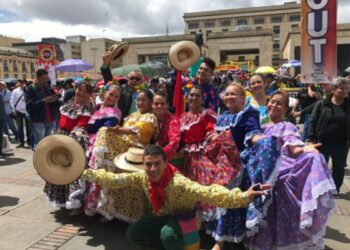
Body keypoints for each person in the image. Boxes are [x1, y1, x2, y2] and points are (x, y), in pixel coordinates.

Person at [82, 145, 271, 250]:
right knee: (134, 233)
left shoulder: (179, 183)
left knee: (168, 235)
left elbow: (211, 193)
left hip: (186, 220)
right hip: (164, 218)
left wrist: (245, 195)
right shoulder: (142, 177)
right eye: (148, 165)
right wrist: (83, 173)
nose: (153, 169)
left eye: (157, 164)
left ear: (166, 163)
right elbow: (116, 179)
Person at [245, 91, 335, 249]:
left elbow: (293, 148)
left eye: (279, 103)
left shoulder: (287, 126)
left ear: (286, 109)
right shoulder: (260, 126)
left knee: (277, 212)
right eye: (272, 101)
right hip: (259, 172)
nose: (274, 105)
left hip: (278, 171)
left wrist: (305, 148)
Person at [90, 89, 158, 221]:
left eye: (143, 100)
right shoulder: (132, 115)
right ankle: (111, 211)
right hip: (124, 151)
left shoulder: (150, 117)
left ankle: (132, 215)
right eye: (138, 100)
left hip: (137, 153)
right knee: (115, 180)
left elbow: (138, 132)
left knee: (105, 131)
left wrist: (117, 130)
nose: (140, 102)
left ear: (150, 103)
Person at [44, 81, 93, 212]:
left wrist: (75, 133)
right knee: (58, 168)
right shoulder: (70, 102)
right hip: (60, 136)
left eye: (85, 91)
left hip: (73, 141)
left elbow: (81, 124)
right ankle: (63, 201)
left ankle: (76, 204)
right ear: (76, 89)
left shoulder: (86, 107)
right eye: (80, 90)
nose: (81, 93)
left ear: (89, 94)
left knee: (72, 172)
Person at [84, 84, 122, 216]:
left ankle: (98, 208)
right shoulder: (96, 107)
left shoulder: (115, 112)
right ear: (104, 93)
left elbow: (105, 129)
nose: (112, 98)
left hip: (100, 146)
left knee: (97, 177)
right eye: (111, 94)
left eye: (116, 97)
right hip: (87, 141)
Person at [308, 78, 350, 196]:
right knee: (321, 166)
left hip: (341, 144)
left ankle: (335, 188)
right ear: (333, 89)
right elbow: (313, 121)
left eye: (347, 88)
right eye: (342, 88)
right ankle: (321, 188)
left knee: (339, 167)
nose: (345, 90)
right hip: (322, 142)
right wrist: (311, 139)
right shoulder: (322, 104)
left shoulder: (348, 105)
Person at [100, 51, 146, 120]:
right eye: (132, 78)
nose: (134, 80)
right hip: (124, 121)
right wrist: (105, 66)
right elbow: (110, 82)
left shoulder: (145, 92)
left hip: (141, 121)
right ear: (127, 79)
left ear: (142, 81)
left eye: (137, 79)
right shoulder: (122, 89)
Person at [25, 69, 59, 148]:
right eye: (44, 79)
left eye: (47, 79)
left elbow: (54, 100)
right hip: (38, 121)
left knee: (49, 144)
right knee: (40, 145)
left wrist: (55, 99)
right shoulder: (30, 89)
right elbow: (29, 106)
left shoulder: (48, 87)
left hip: (51, 119)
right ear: (37, 78)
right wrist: (44, 101)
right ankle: (38, 160)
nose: (46, 81)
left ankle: (46, 160)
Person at [153, 90, 180, 161]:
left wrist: (158, 155)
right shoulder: (151, 118)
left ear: (167, 105)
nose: (159, 106)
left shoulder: (173, 121)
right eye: (156, 103)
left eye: (162, 104)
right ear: (152, 105)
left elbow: (174, 142)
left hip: (169, 157)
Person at [10, 79, 31, 148]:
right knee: (19, 128)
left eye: (23, 82)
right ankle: (21, 142)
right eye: (20, 82)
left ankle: (29, 142)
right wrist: (13, 110)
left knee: (29, 127)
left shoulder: (28, 90)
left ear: (25, 83)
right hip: (18, 111)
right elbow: (12, 101)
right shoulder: (15, 91)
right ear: (18, 83)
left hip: (27, 111)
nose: (21, 84)